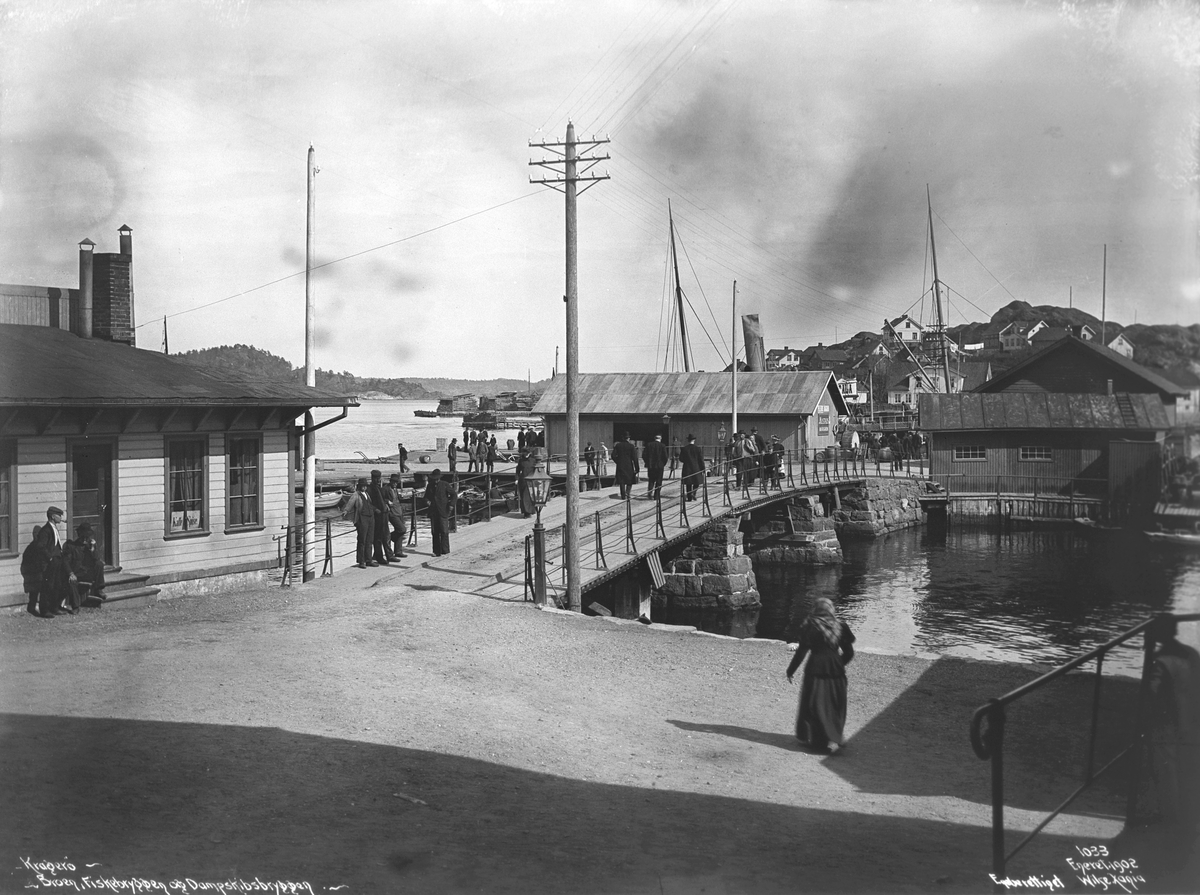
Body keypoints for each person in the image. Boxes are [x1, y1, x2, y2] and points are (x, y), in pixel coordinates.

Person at [1147, 615, 1200, 851]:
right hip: (1192, 719)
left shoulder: (1160, 660)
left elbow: (1154, 693)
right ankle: (1187, 818)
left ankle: (1171, 819)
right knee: (1187, 768)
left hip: (1169, 722)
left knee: (1166, 766)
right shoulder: (1191, 653)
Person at [786, 597, 856, 753]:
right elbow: (849, 653)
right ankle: (834, 737)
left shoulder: (810, 625)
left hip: (815, 669)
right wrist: (837, 664)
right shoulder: (841, 626)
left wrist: (790, 671)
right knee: (835, 705)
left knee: (815, 704)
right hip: (836, 670)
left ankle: (818, 742)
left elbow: (801, 653)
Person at [20, 505, 76, 617]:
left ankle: (54, 607)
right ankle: (44, 610)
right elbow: (40, 547)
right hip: (49, 563)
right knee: (47, 586)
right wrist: (50, 558)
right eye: (59, 515)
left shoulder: (54, 528)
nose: (61, 518)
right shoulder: (45, 530)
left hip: (57, 561)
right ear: (52, 516)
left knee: (58, 585)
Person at [64, 521, 106, 602]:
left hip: (88, 573)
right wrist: (70, 573)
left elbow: (97, 559)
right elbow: (66, 561)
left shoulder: (90, 546)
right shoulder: (72, 546)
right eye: (83, 537)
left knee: (99, 564)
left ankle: (98, 589)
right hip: (78, 573)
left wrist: (92, 550)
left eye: (87, 537)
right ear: (79, 535)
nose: (85, 539)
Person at [342, 478, 376, 568]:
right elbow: (350, 503)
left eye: (365, 486)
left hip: (370, 518)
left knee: (369, 540)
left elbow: (370, 504)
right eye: (363, 486)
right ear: (359, 486)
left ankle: (369, 559)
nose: (364, 488)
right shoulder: (356, 495)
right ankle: (361, 561)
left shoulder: (367, 494)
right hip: (362, 519)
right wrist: (346, 511)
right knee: (362, 540)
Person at [424, 468, 456, 556]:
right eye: (434, 479)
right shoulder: (429, 485)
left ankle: (445, 550)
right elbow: (426, 496)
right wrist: (427, 501)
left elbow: (454, 494)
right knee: (435, 532)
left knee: (444, 530)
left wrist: (451, 505)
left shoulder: (445, 485)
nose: (435, 480)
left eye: (436, 479)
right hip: (433, 511)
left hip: (443, 510)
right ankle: (436, 551)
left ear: (439, 478)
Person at [368, 469, 395, 564]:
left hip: (384, 514)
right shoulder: (370, 489)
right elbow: (368, 503)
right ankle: (379, 557)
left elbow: (382, 499)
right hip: (377, 516)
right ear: (372, 478)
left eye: (379, 478)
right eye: (376, 478)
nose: (378, 480)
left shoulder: (379, 488)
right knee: (378, 537)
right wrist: (376, 509)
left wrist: (386, 503)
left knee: (386, 535)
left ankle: (389, 555)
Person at [385, 473, 408, 559]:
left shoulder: (395, 489)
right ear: (390, 481)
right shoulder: (386, 489)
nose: (395, 483)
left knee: (400, 531)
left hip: (399, 511)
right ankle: (389, 537)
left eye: (396, 482)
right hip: (392, 513)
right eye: (394, 482)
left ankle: (398, 551)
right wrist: (387, 501)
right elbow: (381, 498)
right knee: (402, 529)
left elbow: (397, 499)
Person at [612, 433, 639, 500]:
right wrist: (637, 468)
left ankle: (623, 495)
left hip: (620, 465)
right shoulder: (631, 446)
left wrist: (617, 461)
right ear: (628, 438)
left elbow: (613, 455)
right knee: (630, 480)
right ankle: (627, 493)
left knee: (622, 481)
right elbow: (635, 458)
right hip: (629, 465)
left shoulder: (618, 445)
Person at [679, 434, 706, 502]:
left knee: (688, 483)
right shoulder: (697, 449)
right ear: (694, 440)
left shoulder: (684, 449)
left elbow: (681, 459)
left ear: (688, 440)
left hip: (687, 467)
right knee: (696, 482)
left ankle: (689, 497)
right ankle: (693, 492)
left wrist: (686, 460)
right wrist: (703, 468)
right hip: (696, 467)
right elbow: (700, 459)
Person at [642, 433, 669, 500]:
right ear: (660, 438)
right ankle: (656, 496)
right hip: (659, 466)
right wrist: (663, 464)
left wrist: (647, 462)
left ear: (654, 438)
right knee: (658, 481)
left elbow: (644, 455)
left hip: (651, 466)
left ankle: (650, 492)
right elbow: (665, 457)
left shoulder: (649, 445)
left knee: (651, 480)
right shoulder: (662, 446)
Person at [516, 449, 537, 518]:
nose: (525, 454)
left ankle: (530, 511)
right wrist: (517, 479)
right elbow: (518, 470)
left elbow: (536, 470)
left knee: (528, 497)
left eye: (527, 453)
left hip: (531, 480)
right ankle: (525, 512)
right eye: (524, 453)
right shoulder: (521, 461)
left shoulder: (533, 460)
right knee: (523, 497)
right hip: (523, 480)